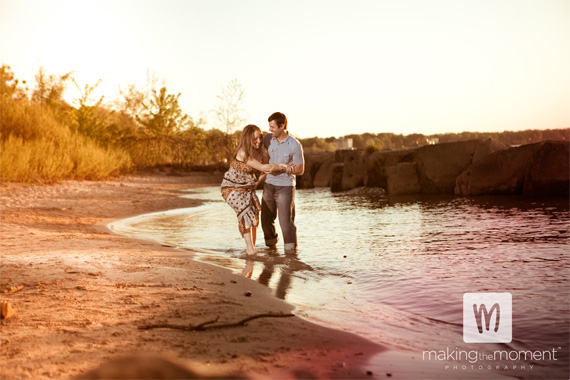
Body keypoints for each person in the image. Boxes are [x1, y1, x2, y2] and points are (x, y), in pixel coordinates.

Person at [221, 124, 283, 256]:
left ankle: (251, 248)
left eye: (260, 138)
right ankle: (250, 249)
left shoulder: (262, 152)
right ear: (247, 138)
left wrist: (258, 182)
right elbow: (263, 167)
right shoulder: (243, 152)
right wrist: (282, 166)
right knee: (246, 212)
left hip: (247, 188)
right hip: (231, 187)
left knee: (254, 214)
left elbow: (264, 170)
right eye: (255, 139)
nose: (259, 141)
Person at [261, 112, 305, 254]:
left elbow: (300, 169)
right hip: (268, 185)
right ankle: (272, 250)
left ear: (282, 126)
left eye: (272, 127)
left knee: (286, 223)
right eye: (269, 126)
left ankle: (291, 254)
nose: (269, 129)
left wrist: (281, 168)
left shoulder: (295, 145)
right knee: (266, 221)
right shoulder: (268, 139)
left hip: (285, 187)